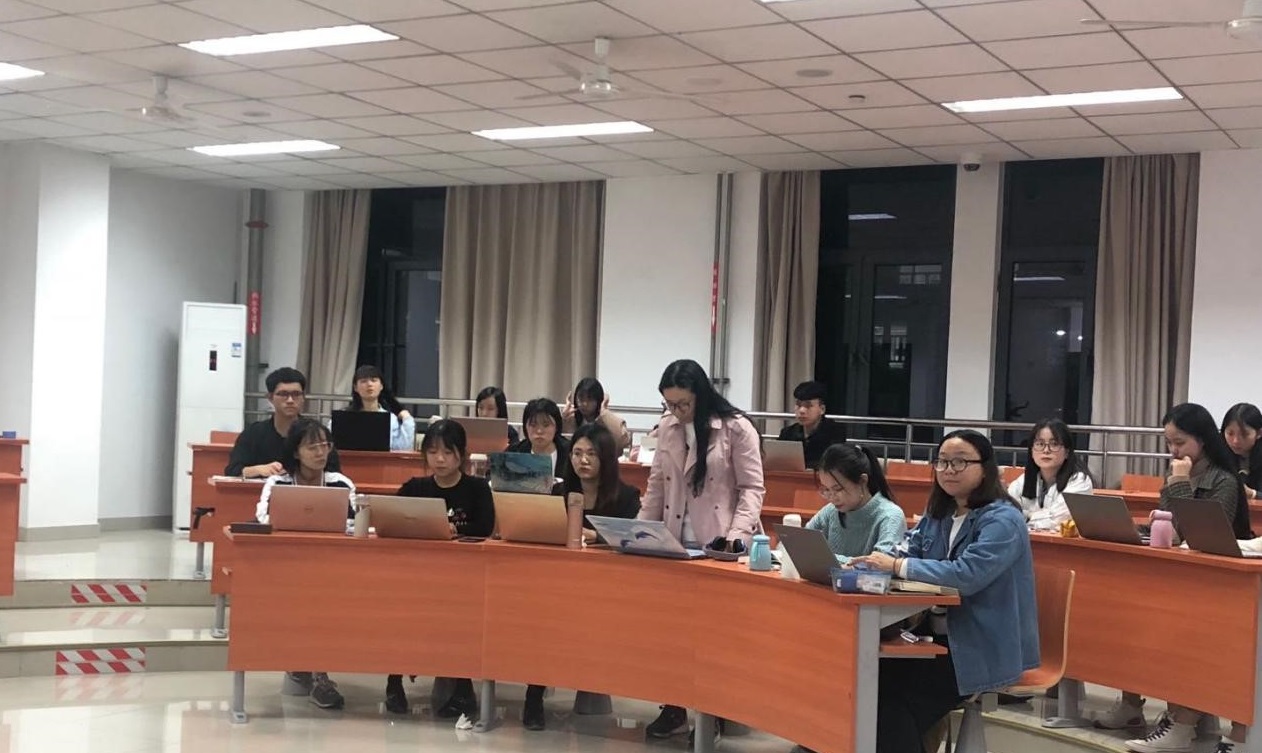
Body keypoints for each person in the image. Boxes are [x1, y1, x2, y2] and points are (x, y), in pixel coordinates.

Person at [851, 429, 1039, 753]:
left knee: (890, 705)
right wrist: (871, 564)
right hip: (931, 637)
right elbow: (909, 551)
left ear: (985, 468)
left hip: (976, 647)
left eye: (960, 462)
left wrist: (896, 566)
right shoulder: (940, 513)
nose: (949, 470)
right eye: (942, 462)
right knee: (861, 681)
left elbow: (966, 576)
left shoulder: (1003, 520)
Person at [640, 359, 765, 746]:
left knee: (714, 639)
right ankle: (675, 708)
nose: (677, 411)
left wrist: (736, 536)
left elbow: (752, 489)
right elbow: (656, 486)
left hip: (720, 548)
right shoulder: (668, 427)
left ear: (702, 396)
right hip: (675, 546)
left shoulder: (736, 428)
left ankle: (714, 712)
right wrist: (639, 533)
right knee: (671, 635)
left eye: (683, 404)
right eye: (670, 404)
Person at [1115, 403, 1252, 753]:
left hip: (1224, 584)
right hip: (1185, 575)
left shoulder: (1224, 480)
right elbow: (1173, 527)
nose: (1173, 451)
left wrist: (1178, 483)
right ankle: (1173, 714)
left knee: (1190, 636)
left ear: (1202, 440)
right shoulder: (1176, 473)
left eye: (1180, 442)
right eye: (1169, 443)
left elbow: (1203, 531)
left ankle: (1184, 722)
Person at [522, 423, 640, 731]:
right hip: (561, 584)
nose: (582, 460)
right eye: (576, 453)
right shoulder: (557, 492)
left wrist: (594, 536)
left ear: (606, 458)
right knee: (541, 620)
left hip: (609, 588)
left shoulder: (627, 496)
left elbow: (630, 539)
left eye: (591, 454)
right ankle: (533, 697)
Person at [386, 419, 495, 716]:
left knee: (461, 616)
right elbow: (391, 518)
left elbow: (485, 527)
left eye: (447, 452)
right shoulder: (415, 487)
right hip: (419, 575)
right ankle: (393, 681)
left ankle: (462, 686)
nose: (440, 459)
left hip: (463, 577)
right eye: (433, 452)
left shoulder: (477, 488)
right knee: (399, 612)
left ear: (462, 454)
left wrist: (455, 530)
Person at [253, 419, 356, 711]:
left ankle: (318, 673)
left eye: (325, 445)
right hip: (286, 566)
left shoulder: (341, 483)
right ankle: (303, 665)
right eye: (312, 446)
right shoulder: (278, 482)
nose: (320, 452)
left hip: (331, 566)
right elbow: (264, 518)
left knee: (327, 600)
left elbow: (354, 523)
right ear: (296, 451)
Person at [226, 367, 342, 477]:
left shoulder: (317, 434)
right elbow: (232, 470)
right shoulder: (253, 433)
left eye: (296, 394)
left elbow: (334, 473)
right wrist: (258, 470)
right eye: (283, 394)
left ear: (303, 398)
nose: (290, 400)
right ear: (270, 397)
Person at [805, 443, 907, 564]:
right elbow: (802, 543)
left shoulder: (890, 516)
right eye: (826, 489)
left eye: (838, 489)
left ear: (862, 481)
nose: (832, 497)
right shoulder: (831, 511)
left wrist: (826, 558)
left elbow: (880, 565)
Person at [1006, 418, 1094, 531]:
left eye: (1054, 444)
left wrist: (1027, 516)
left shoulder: (1080, 481)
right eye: (1040, 444)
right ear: (1031, 451)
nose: (1046, 450)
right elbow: (1007, 513)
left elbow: (1059, 520)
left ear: (1067, 452)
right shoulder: (1023, 481)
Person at [777, 380, 847, 469]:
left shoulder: (835, 432)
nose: (802, 410)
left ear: (822, 409)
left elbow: (833, 464)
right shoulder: (787, 433)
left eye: (808, 406)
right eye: (798, 405)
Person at [346, 365, 415, 451]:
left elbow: (403, 449)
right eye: (364, 381)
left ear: (381, 386)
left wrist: (407, 419)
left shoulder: (391, 418)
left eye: (374, 380)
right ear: (355, 387)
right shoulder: (345, 417)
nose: (369, 384)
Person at [562, 377, 632, 453]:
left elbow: (623, 441)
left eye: (590, 399)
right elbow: (563, 444)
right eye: (581, 398)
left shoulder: (607, 419)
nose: (585, 404)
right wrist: (563, 419)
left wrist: (604, 411)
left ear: (598, 400)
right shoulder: (571, 419)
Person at [509, 398, 572, 481]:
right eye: (533, 425)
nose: (539, 431)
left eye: (546, 425)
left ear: (556, 427)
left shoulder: (570, 452)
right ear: (525, 427)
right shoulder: (514, 452)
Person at [1222, 403, 1262, 500]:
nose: (1235, 441)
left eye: (1244, 434)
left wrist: (1253, 494)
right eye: (1230, 433)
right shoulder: (1217, 453)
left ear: (1259, 433)